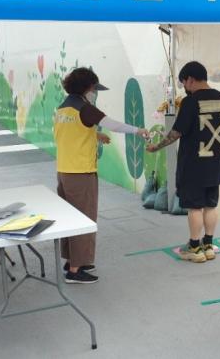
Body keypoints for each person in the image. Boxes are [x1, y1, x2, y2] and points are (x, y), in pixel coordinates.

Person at [54, 67, 149, 284]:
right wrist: (138, 130)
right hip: (81, 173)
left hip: (64, 171)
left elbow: (70, 134)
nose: (94, 93)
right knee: (84, 219)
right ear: (86, 88)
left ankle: (71, 261)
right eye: (93, 89)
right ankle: (76, 270)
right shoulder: (85, 108)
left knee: (71, 218)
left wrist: (95, 135)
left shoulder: (63, 108)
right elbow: (112, 124)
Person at [146, 61, 220, 263]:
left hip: (194, 164)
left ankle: (194, 247)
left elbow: (176, 132)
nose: (184, 87)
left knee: (195, 207)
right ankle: (208, 245)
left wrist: (156, 146)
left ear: (190, 79)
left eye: (184, 82)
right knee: (210, 205)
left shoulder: (191, 102)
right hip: (216, 163)